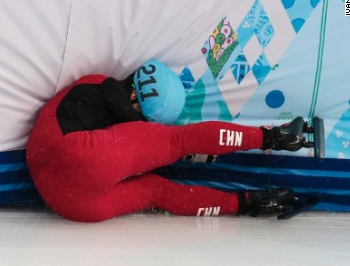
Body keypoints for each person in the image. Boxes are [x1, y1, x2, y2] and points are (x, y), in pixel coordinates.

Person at [25, 61, 306, 223]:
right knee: (178, 141)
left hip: (63, 200)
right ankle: (274, 137)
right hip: (83, 172)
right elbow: (154, 138)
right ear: (136, 99)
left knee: (158, 192)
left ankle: (249, 203)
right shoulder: (109, 91)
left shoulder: (95, 86)